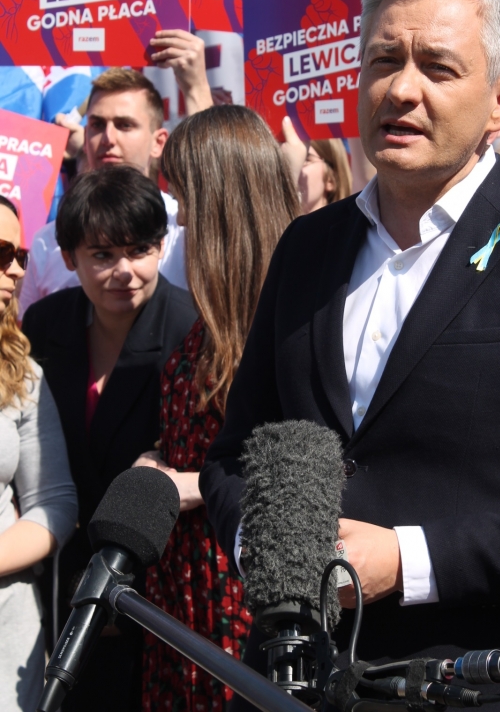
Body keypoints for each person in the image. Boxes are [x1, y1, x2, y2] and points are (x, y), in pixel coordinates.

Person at [201, 0, 500, 711]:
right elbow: (233, 456)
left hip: (484, 686)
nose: (401, 89)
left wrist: (407, 560)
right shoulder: (307, 249)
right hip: (301, 684)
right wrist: (269, 548)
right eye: (383, 60)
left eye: (438, 68)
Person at [132, 106, 299, 712]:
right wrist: (160, 457)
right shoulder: (209, 319)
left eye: (184, 201)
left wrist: (188, 483)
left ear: (221, 204)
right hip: (182, 592)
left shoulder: (287, 322)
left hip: (235, 589)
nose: (178, 220)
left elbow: (296, 470)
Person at [22, 166, 197, 712]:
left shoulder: (191, 331)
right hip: (54, 584)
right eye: (102, 255)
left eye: (140, 250)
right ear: (68, 257)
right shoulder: (45, 323)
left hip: (157, 596)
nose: (125, 271)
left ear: (162, 246)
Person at [19, 52, 213, 315]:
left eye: (124, 125)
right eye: (97, 125)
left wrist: (197, 89)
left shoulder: (184, 228)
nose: (107, 138)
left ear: (158, 143)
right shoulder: (46, 241)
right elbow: (27, 336)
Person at [0, 195, 77, 712]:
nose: (16, 270)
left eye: (22, 255)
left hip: (8, 630)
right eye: (1, 253)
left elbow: (54, 502)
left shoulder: (21, 372)